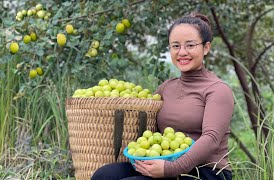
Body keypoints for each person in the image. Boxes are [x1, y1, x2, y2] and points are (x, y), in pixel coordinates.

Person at [91, 12, 234, 180]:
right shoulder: (166, 88)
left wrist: (171, 169)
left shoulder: (218, 90)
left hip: (206, 171)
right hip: (163, 161)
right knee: (104, 175)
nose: (182, 52)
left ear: (206, 48)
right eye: (175, 46)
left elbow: (211, 139)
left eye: (190, 45)